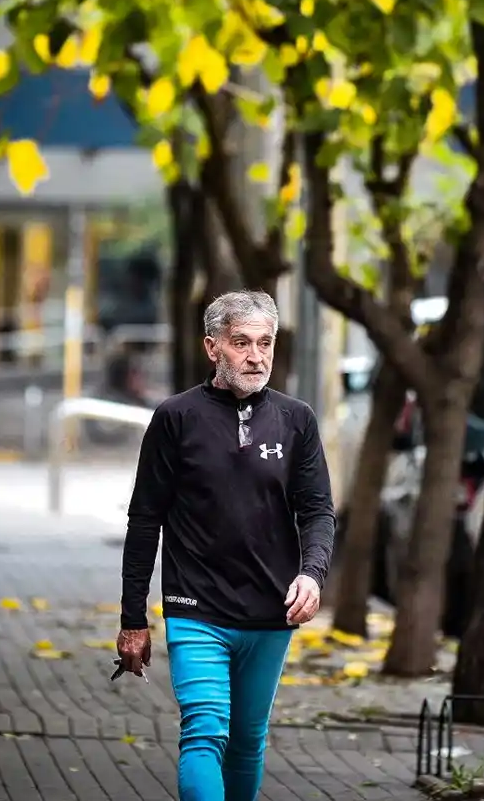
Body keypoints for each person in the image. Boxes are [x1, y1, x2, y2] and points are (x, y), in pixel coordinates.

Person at [116, 289, 336, 801]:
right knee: (205, 731)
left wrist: (312, 574)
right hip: (196, 609)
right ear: (212, 347)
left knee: (246, 742)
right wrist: (132, 618)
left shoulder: (297, 420)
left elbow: (318, 511)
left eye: (265, 343)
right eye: (241, 342)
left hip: (270, 612)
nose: (256, 356)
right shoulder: (176, 418)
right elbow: (145, 521)